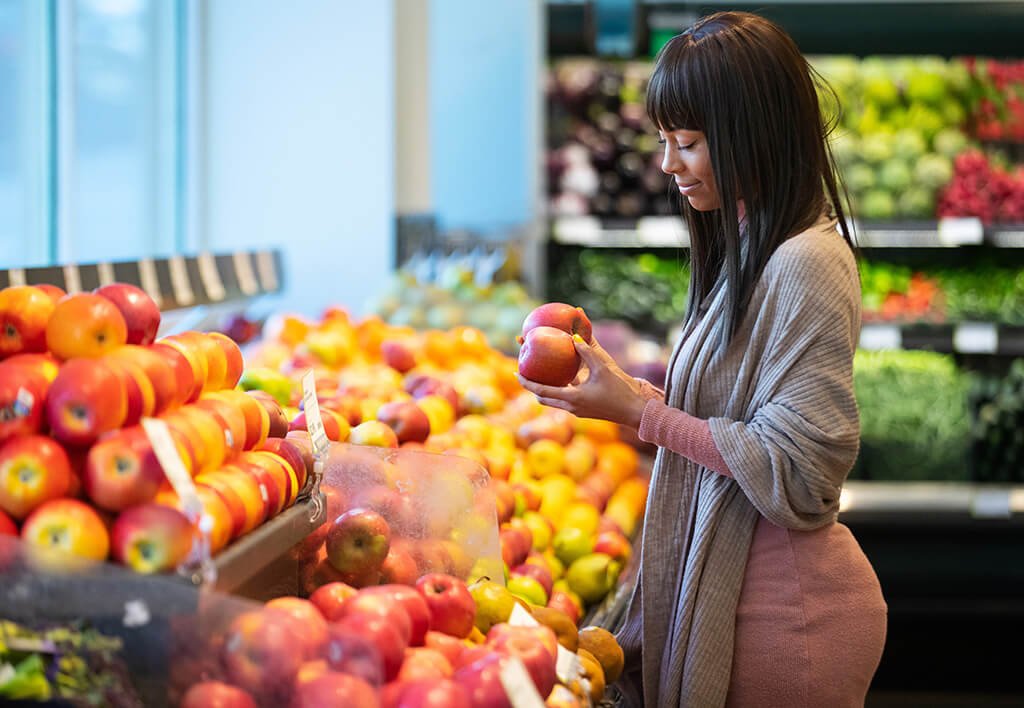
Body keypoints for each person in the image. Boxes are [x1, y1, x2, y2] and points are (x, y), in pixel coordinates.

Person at [518, 11, 887, 708]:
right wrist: (626, 392)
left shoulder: (807, 260)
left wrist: (642, 413)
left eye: (685, 142)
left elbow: (801, 470)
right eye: (662, 141)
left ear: (753, 134)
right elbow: (731, 417)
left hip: (789, 624)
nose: (667, 165)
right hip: (743, 597)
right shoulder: (750, 241)